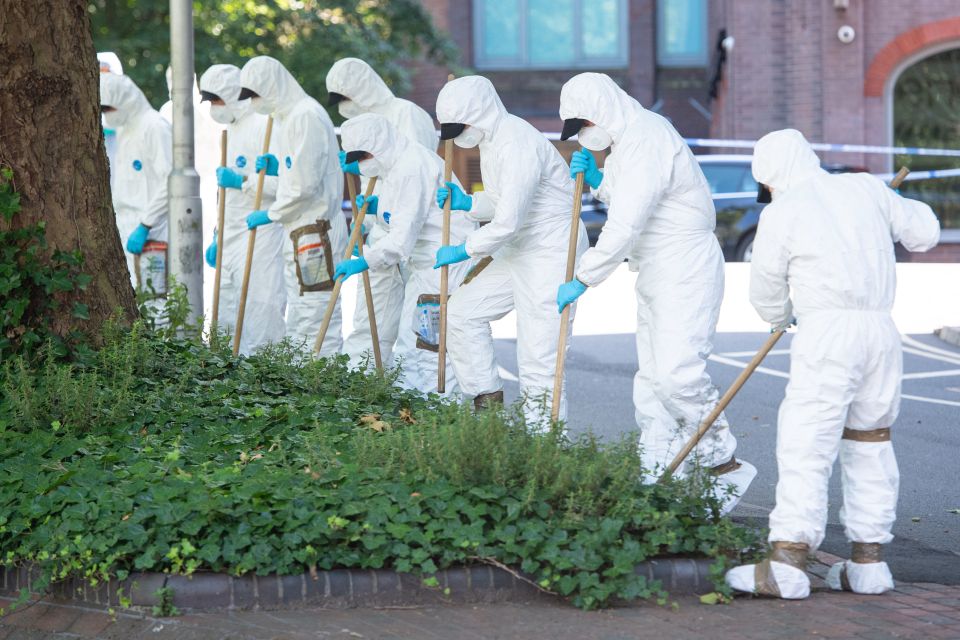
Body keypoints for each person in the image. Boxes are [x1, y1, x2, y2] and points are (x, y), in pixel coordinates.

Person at [725, 129, 940, 599]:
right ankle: (869, 564)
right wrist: (886, 205)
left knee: (808, 441)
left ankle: (787, 564)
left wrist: (781, 317)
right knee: (870, 441)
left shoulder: (782, 212)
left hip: (827, 334)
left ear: (772, 178)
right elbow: (925, 233)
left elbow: (765, 290)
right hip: (880, 333)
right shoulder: (865, 189)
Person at [557, 72, 755, 507]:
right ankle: (659, 474)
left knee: (676, 374)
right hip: (657, 267)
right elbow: (632, 195)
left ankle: (724, 463)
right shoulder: (630, 140)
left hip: (684, 264)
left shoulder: (647, 135)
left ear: (603, 109)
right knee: (652, 381)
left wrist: (583, 276)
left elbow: (628, 221)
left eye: (585, 124)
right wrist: (598, 180)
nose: (585, 136)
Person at [434, 75, 588, 427]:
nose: (458, 137)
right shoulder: (491, 141)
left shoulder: (517, 141)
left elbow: (508, 222)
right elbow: (505, 202)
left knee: (539, 353)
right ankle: (487, 409)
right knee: (460, 312)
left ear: (480, 113)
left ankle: (544, 445)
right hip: (521, 246)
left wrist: (464, 249)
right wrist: (469, 202)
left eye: (460, 127)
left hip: (552, 248)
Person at [334, 113, 474, 391]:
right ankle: (427, 415)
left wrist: (364, 261)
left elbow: (400, 241)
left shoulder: (411, 167)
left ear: (377, 149)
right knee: (417, 345)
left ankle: (439, 416)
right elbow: (406, 215)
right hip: (426, 265)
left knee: (427, 348)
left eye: (362, 158)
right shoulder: (398, 164)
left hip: (443, 264)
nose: (361, 166)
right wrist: (380, 209)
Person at [325, 57, 438, 366]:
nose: (343, 106)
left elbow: (412, 177)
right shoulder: (358, 128)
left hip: (415, 237)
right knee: (370, 320)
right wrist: (369, 214)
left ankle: (410, 396)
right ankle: (362, 391)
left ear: (361, 89)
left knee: (415, 331)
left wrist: (384, 206)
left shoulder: (406, 114)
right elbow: (371, 177)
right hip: (380, 234)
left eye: (345, 98)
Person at [238, 56, 347, 354]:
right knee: (300, 315)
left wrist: (271, 213)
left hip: (315, 231)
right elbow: (296, 177)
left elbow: (303, 186)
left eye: (255, 95)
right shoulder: (289, 117)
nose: (254, 103)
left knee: (316, 315)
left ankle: (322, 387)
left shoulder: (305, 116)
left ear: (272, 87)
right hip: (302, 231)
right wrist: (277, 172)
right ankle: (303, 387)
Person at [199, 64, 287, 353]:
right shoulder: (231, 129)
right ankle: (226, 376)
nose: (214, 108)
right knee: (225, 309)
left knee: (260, 308)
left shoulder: (265, 126)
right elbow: (225, 197)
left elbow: (284, 186)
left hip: (259, 233)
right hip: (230, 234)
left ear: (234, 96)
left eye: (216, 100)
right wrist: (217, 234)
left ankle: (265, 378)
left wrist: (243, 181)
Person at [99, 72, 171, 291]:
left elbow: (171, 181)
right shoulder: (124, 130)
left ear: (125, 101)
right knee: (132, 302)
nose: (106, 115)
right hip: (127, 228)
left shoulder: (154, 126)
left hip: (152, 233)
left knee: (154, 302)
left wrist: (145, 224)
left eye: (108, 109)